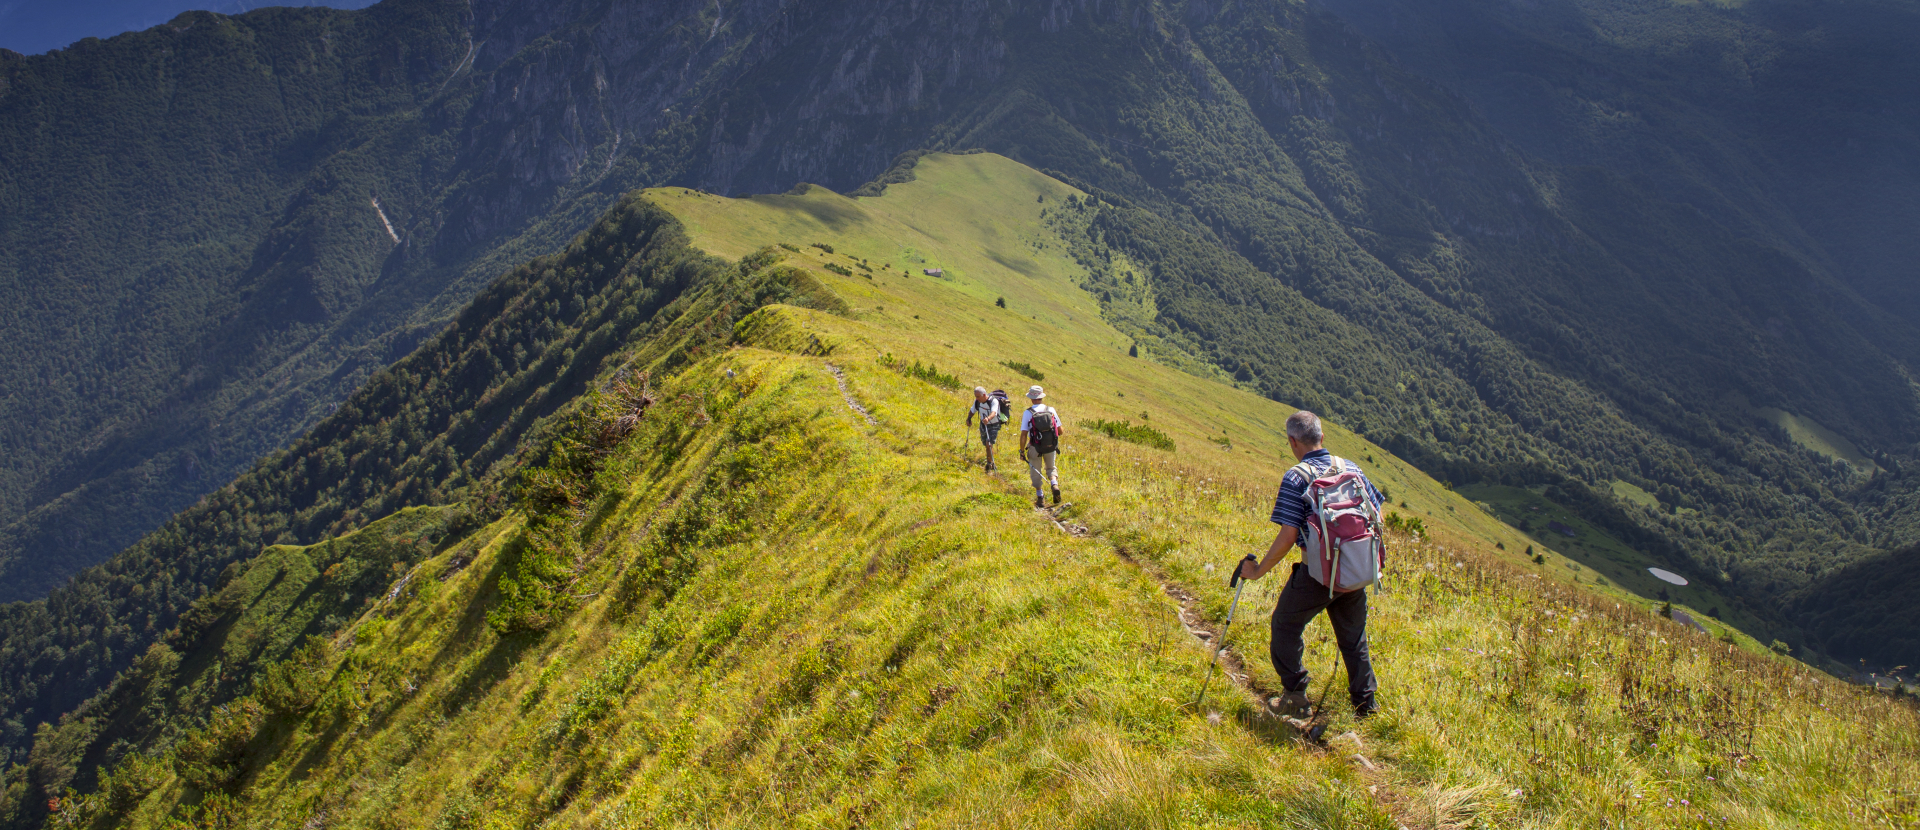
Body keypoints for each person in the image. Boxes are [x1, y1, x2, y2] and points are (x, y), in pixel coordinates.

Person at [1236, 410, 1385, 719]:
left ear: (1293, 441)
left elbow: (1288, 535)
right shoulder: (1351, 468)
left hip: (1317, 575)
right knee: (1353, 638)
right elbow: (1377, 515)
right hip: (1355, 569)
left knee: (1285, 625)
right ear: (1322, 436)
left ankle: (1296, 696)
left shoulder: (1296, 477)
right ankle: (1366, 706)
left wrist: (1258, 571)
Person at [1018, 385, 1063, 508]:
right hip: (1051, 445)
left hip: (1035, 446)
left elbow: (1023, 434)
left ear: (1031, 398)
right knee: (1051, 467)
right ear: (1041, 397)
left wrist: (1022, 451)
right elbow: (1060, 431)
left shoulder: (1028, 413)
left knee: (1035, 470)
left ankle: (1040, 497)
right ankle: (1054, 484)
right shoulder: (1050, 410)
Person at [965, 387, 1005, 472]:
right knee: (985, 443)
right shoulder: (977, 402)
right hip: (983, 424)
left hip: (994, 424)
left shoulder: (993, 401)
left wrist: (988, 419)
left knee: (988, 444)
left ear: (984, 395)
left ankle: (989, 464)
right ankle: (991, 460)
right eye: (976, 396)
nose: (977, 398)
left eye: (978, 396)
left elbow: (994, 413)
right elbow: (972, 410)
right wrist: (969, 418)